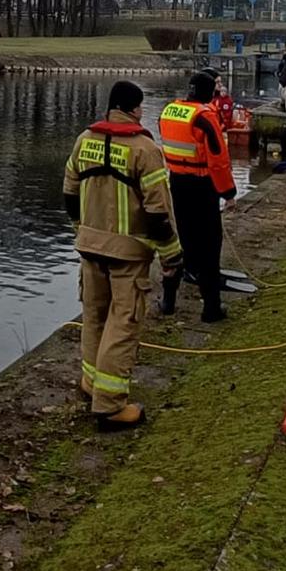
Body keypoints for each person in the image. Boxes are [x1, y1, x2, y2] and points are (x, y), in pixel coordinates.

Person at [64, 80, 182, 428]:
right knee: (123, 323)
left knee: (94, 316)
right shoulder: (144, 150)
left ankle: (92, 383)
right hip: (128, 253)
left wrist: (80, 230)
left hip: (90, 246)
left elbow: (69, 194)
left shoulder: (83, 141)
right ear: (134, 109)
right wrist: (172, 256)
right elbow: (159, 212)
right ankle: (111, 405)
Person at [158, 72, 236, 323]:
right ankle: (211, 308)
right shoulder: (205, 116)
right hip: (203, 184)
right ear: (209, 92)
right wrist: (228, 193)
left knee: (184, 240)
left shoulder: (169, 111)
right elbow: (218, 160)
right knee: (210, 245)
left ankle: (168, 301)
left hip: (177, 182)